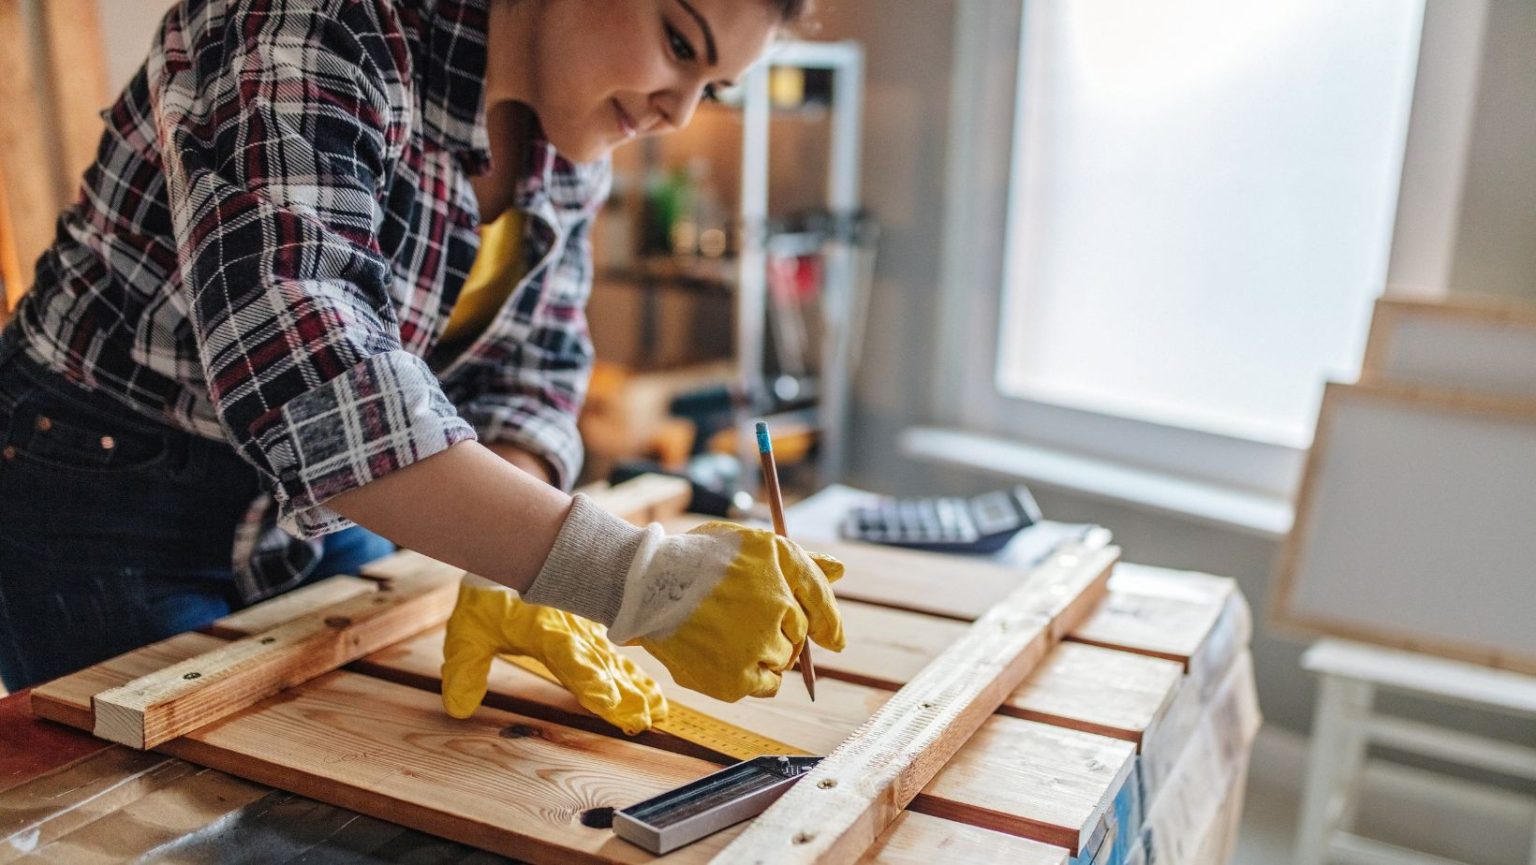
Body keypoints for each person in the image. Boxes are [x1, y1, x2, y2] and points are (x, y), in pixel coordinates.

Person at [0, 0, 843, 735]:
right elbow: (312, 379)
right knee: (169, 819)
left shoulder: (570, 131)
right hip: (98, 483)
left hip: (317, 509)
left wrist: (511, 563)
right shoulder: (321, 19)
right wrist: (630, 577)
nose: (678, 110)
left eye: (715, 85)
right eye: (678, 43)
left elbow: (531, 370)